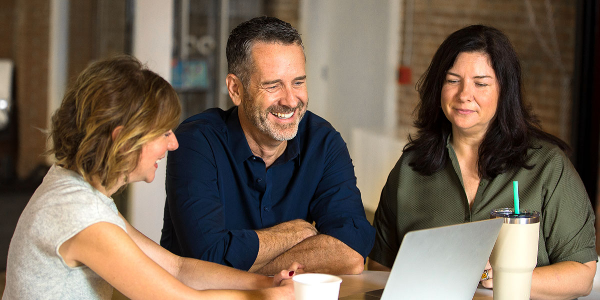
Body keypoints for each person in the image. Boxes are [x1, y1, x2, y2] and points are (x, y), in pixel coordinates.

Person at [2, 55, 300, 300]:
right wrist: (267, 298)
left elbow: (177, 268)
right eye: (163, 133)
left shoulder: (78, 191)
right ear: (124, 140)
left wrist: (266, 283)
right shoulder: (79, 216)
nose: (173, 144)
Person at [367, 25, 597, 299]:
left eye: (481, 83)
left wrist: (504, 276)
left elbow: (582, 274)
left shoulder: (548, 167)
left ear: (504, 90)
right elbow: (380, 269)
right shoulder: (410, 169)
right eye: (453, 80)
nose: (464, 94)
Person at [160, 16, 375, 275]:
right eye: (273, 85)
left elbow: (351, 252)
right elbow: (206, 258)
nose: (290, 100)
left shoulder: (323, 143)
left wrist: (246, 273)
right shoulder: (196, 142)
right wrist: (293, 234)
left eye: (298, 82)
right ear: (235, 89)